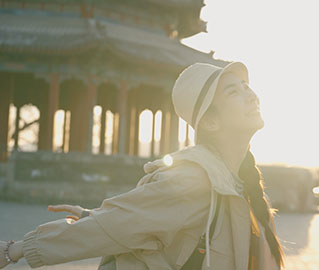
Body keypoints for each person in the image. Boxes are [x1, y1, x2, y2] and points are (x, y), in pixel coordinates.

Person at [0, 62, 284, 270]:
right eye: (234, 92)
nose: (251, 95)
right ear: (210, 122)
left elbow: (148, 220)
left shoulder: (245, 186)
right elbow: (116, 225)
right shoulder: (194, 178)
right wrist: (17, 250)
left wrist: (94, 215)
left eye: (247, 87)